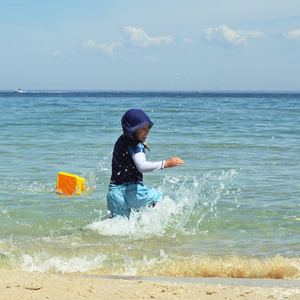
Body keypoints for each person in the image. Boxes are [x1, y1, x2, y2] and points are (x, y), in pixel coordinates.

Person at [107, 109, 184, 218]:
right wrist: (166, 163)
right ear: (132, 129)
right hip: (133, 192)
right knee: (162, 201)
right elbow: (142, 166)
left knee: (119, 223)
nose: (147, 131)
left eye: (148, 128)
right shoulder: (137, 146)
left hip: (114, 194)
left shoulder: (121, 141)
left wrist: (139, 144)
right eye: (143, 128)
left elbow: (128, 152)